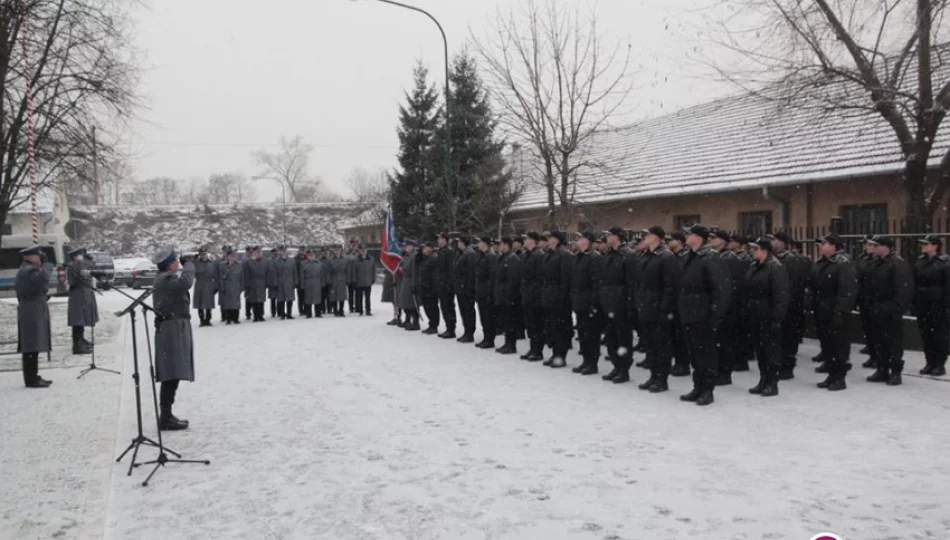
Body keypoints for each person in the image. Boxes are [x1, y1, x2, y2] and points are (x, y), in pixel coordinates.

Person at [677, 224, 730, 406]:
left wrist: (715, 316)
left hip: (703, 314)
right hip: (688, 313)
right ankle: (697, 386)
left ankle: (707, 389)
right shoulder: (688, 256)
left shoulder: (711, 257)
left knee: (706, 353)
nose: (686, 236)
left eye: (689, 234)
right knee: (694, 353)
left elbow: (721, 290)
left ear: (698, 237)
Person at [152, 248, 196, 431]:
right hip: (171, 329)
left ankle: (167, 414)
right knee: (171, 372)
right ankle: (165, 417)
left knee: (174, 372)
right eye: (176, 261)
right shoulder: (165, 279)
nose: (178, 263)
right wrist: (189, 264)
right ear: (170, 264)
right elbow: (186, 282)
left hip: (175, 327)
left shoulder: (167, 278)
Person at [635, 226, 681, 393]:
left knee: (662, 345)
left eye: (648, 234)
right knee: (650, 345)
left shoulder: (666, 257)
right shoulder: (646, 255)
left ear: (657, 237)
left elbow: (670, 286)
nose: (645, 237)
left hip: (658, 308)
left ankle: (661, 379)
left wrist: (664, 308)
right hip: (646, 305)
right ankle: (653, 376)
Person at [810, 234, 857, 390]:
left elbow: (847, 291)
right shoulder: (822, 262)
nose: (820, 246)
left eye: (824, 243)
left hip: (835, 309)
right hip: (822, 309)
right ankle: (831, 374)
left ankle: (839, 378)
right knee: (827, 345)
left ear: (834, 246)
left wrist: (840, 311)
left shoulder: (843, 263)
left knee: (839, 346)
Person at [865, 235, 914, 385]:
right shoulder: (876, 263)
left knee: (893, 342)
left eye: (876, 245)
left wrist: (895, 309)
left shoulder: (898, 264)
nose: (872, 248)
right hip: (877, 308)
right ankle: (882, 369)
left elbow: (904, 290)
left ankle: (895, 372)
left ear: (885, 247)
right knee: (879, 341)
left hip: (890, 309)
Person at [744, 237, 790, 397]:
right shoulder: (754, 266)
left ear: (764, 250)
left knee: (771, 351)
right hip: (755, 314)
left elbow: (781, 295)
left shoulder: (775, 267)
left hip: (768, 315)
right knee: (760, 350)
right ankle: (763, 379)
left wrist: (777, 318)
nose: (752, 252)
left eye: (755, 249)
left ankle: (772, 382)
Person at [769, 232, 810, 380]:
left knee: (788, 336)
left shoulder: (792, 260)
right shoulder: (774, 259)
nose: (772, 243)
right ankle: (779, 364)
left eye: (774, 240)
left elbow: (793, 284)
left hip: (790, 305)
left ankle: (787, 366)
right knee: (777, 337)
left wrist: (787, 300)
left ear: (782, 243)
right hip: (778, 304)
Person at [16, 245, 52, 388]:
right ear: (30, 257)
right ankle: (31, 379)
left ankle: (34, 375)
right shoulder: (27, 270)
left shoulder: (28, 269)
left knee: (33, 343)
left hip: (32, 308)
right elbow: (43, 280)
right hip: (30, 311)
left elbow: (37, 287)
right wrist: (48, 266)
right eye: (38, 256)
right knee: (31, 343)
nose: (40, 259)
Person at [709, 229, 742, 385]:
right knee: (716, 341)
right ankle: (717, 369)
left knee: (725, 341)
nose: (711, 240)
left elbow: (732, 285)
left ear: (722, 241)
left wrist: (725, 305)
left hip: (728, 306)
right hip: (717, 305)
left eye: (714, 238)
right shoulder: (714, 256)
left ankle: (724, 373)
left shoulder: (730, 259)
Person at [600, 227, 633, 383]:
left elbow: (631, 283)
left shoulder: (627, 255)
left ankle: (624, 369)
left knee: (623, 338)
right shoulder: (608, 254)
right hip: (608, 302)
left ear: (618, 237)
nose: (607, 237)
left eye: (609, 235)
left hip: (621, 303)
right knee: (611, 338)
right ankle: (616, 366)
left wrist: (628, 302)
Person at [914, 234, 949, 377]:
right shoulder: (919, 262)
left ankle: (939, 364)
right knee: (926, 334)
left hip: (938, 304)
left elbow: (948, 286)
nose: (923, 246)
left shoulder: (944, 263)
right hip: (923, 304)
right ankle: (929, 361)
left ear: (935, 246)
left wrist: (945, 305)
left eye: (926, 243)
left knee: (939, 335)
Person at [571, 231, 605, 375]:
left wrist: (593, 303)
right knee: (583, 333)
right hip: (580, 300)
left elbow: (596, 283)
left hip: (589, 302)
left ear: (588, 241)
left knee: (592, 334)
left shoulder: (594, 257)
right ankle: (585, 360)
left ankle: (592, 363)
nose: (577, 240)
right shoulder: (578, 257)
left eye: (580, 238)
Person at [540, 230, 574, 367]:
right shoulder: (549, 254)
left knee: (560, 328)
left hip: (559, 297)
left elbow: (566, 279)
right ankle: (555, 353)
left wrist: (562, 297)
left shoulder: (564, 255)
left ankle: (561, 356)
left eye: (551, 237)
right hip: (549, 295)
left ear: (557, 240)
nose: (548, 239)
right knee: (551, 327)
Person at [493, 237, 523, 354]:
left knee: (510, 321)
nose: (498, 246)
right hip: (501, 294)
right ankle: (507, 342)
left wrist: (509, 295)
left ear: (506, 245)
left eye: (500, 244)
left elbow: (513, 279)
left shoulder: (512, 258)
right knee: (505, 321)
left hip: (508, 295)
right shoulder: (502, 257)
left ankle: (511, 345)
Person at [519, 232, 546, 361]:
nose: (524, 241)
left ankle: (538, 350)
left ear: (533, 241)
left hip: (535, 296)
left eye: (527, 239)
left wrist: (534, 293)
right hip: (526, 294)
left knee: (537, 324)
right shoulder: (526, 255)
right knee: (530, 324)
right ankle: (532, 347)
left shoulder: (538, 255)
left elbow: (539, 278)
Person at [66, 247, 98, 355]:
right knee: (77, 320)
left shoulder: (80, 264)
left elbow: (91, 267)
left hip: (84, 294)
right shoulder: (72, 265)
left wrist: (89, 260)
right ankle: (77, 344)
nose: (82, 258)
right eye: (81, 256)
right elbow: (76, 279)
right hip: (77, 295)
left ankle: (81, 339)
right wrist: (81, 264)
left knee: (82, 319)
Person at [474, 237, 498, 349]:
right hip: (480, 290)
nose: (478, 244)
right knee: (483, 316)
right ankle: (486, 337)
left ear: (485, 244)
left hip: (486, 292)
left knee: (488, 317)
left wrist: (489, 293)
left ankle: (490, 339)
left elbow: (491, 276)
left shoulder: (490, 256)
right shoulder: (482, 255)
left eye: (480, 242)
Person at [453, 236, 478, 343]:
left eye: (459, 242)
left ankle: (470, 333)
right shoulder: (460, 253)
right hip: (460, 287)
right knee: (463, 310)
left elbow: (470, 272)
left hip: (466, 287)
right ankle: (466, 331)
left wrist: (469, 288)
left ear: (464, 243)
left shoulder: (470, 253)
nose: (457, 244)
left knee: (468, 310)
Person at [436, 233, 458, 338]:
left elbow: (451, 270)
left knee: (449, 307)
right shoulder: (440, 251)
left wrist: (449, 284)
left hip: (446, 284)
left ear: (445, 240)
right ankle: (448, 328)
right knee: (444, 307)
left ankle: (451, 329)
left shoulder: (449, 252)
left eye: (440, 238)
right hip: (441, 284)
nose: (438, 240)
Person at [417, 242, 441, 334]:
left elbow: (435, 275)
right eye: (424, 248)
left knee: (432, 307)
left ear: (431, 248)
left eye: (427, 248)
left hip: (431, 287)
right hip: (424, 286)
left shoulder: (434, 258)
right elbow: (418, 262)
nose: (425, 250)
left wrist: (433, 287)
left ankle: (434, 326)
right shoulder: (425, 258)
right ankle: (431, 324)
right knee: (427, 307)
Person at [397, 240, 420, 330]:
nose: (405, 248)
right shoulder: (407, 256)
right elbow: (403, 265)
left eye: (407, 246)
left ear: (411, 246)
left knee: (413, 303)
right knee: (406, 302)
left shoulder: (414, 256)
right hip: (405, 280)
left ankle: (416, 323)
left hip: (411, 280)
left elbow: (415, 270)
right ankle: (407, 320)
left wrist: (414, 284)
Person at [217, 247, 244, 325]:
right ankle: (228, 318)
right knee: (227, 303)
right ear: (227, 256)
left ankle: (235, 318)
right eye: (231, 255)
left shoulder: (239, 265)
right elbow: (220, 278)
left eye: (234, 255)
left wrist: (241, 287)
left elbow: (242, 277)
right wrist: (222, 287)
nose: (233, 257)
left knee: (236, 303)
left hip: (236, 285)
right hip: (227, 285)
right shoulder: (222, 265)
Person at [242, 246, 268, 322]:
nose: (258, 253)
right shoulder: (248, 262)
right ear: (253, 253)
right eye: (256, 252)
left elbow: (267, 272)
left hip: (262, 282)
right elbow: (246, 274)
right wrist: (247, 284)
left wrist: (267, 282)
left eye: (259, 252)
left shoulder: (265, 261)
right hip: (252, 283)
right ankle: (256, 316)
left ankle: (261, 315)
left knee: (261, 300)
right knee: (254, 300)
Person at [193, 247, 217, 327]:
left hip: (209, 284)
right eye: (202, 254)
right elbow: (191, 267)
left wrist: (216, 286)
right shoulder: (196, 263)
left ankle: (208, 319)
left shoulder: (211, 263)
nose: (204, 256)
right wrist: (194, 259)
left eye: (205, 254)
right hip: (200, 284)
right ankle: (201, 320)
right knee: (199, 303)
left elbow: (215, 274)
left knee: (208, 303)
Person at [273, 245, 298, 320]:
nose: (283, 252)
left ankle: (289, 314)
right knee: (281, 299)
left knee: (290, 299)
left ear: (286, 252)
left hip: (290, 282)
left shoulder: (292, 260)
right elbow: (274, 273)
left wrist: (295, 282)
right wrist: (275, 283)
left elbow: (294, 272)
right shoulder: (276, 261)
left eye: (284, 251)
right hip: (280, 282)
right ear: (279, 252)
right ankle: (282, 314)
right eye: (281, 251)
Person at [301, 248, 325, 318]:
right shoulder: (303, 264)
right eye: (309, 255)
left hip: (317, 282)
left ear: (315, 256)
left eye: (312, 255)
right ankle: (308, 313)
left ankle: (318, 313)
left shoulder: (319, 263)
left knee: (318, 298)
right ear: (307, 256)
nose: (311, 256)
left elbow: (322, 274)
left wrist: (322, 283)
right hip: (307, 282)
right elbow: (301, 275)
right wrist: (302, 285)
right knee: (308, 298)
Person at [354, 245, 376, 316]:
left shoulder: (371, 259)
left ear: (366, 250)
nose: (363, 251)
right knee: (359, 297)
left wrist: (373, 279)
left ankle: (368, 310)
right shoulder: (356, 259)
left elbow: (373, 270)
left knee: (368, 297)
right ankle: (360, 311)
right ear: (359, 251)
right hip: (359, 281)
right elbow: (354, 271)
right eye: (361, 250)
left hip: (368, 281)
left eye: (364, 249)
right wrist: (354, 280)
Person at [329, 245, 349, 317]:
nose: (337, 251)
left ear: (341, 251)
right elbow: (329, 271)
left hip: (342, 279)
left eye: (338, 250)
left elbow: (347, 270)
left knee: (342, 296)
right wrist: (329, 281)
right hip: (333, 279)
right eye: (336, 250)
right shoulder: (330, 260)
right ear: (333, 251)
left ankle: (341, 310)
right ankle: (335, 311)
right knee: (334, 296)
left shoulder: (345, 259)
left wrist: (347, 280)